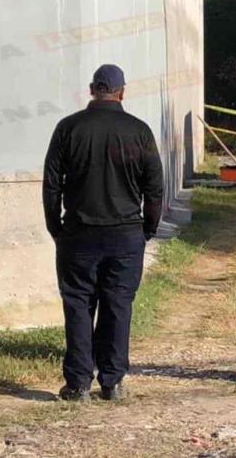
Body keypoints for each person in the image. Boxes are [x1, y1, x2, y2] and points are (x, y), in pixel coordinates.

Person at [43, 64, 164, 402]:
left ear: (91, 90)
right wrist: (148, 229)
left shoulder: (68, 128)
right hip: (126, 234)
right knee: (118, 304)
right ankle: (111, 381)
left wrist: (56, 227)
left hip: (78, 233)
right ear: (122, 92)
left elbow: (52, 185)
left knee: (78, 303)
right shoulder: (139, 131)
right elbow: (154, 187)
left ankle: (78, 383)